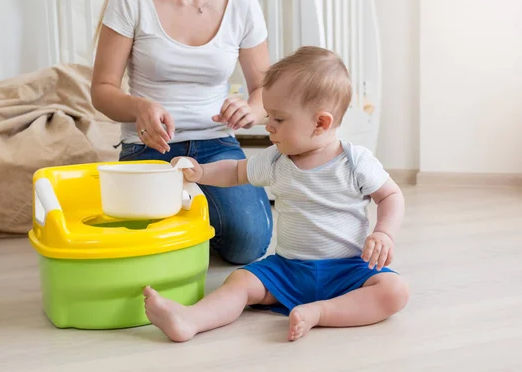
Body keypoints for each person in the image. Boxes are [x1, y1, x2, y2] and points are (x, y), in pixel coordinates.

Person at [142, 46, 410, 342]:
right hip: (288, 269)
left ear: (321, 123)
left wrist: (384, 233)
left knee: (394, 291)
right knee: (241, 281)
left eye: (279, 119)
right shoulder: (276, 160)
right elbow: (235, 171)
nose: (268, 125)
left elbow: (390, 196)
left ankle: (321, 312)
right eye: (268, 115)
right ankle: (190, 319)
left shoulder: (354, 161)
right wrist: (202, 172)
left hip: (347, 271)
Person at [90, 0, 273, 265]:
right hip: (149, 145)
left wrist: (251, 109)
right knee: (144, 247)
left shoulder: (243, 3)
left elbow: (265, 91)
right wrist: (140, 108)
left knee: (248, 245)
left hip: (217, 144)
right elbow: (102, 91)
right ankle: (190, 218)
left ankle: (192, 216)